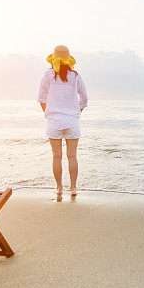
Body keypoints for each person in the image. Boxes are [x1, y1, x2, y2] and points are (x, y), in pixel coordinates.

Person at [37, 45, 88, 197]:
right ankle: (73, 188)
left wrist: (49, 113)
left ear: (54, 57)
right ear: (68, 58)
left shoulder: (48, 75)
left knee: (56, 156)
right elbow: (84, 99)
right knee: (72, 156)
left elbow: (41, 98)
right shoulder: (75, 75)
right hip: (71, 120)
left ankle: (59, 188)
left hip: (54, 120)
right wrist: (76, 112)